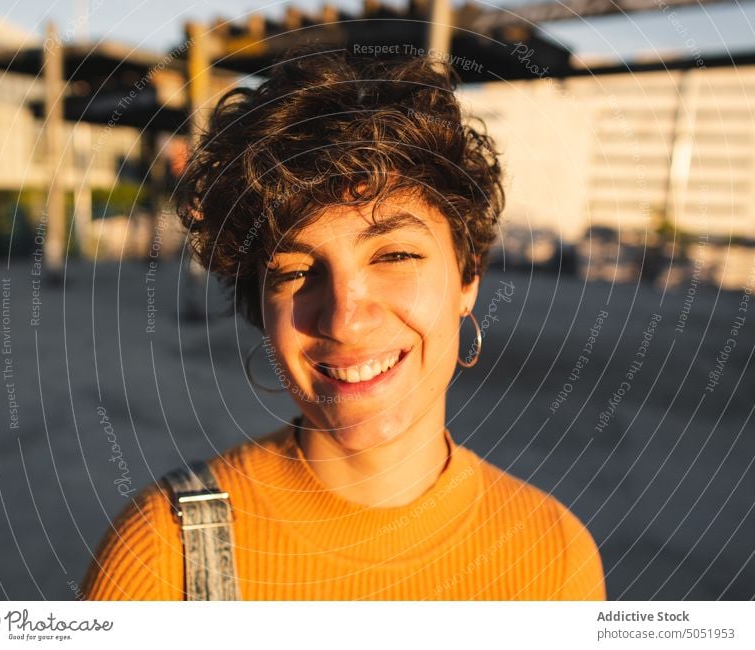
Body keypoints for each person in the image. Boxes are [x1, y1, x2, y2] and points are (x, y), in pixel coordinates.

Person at [81, 48, 606, 600]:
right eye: (295, 270)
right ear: (259, 309)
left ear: (468, 273)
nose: (346, 318)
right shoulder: (161, 554)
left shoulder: (553, 555)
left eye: (394, 256)